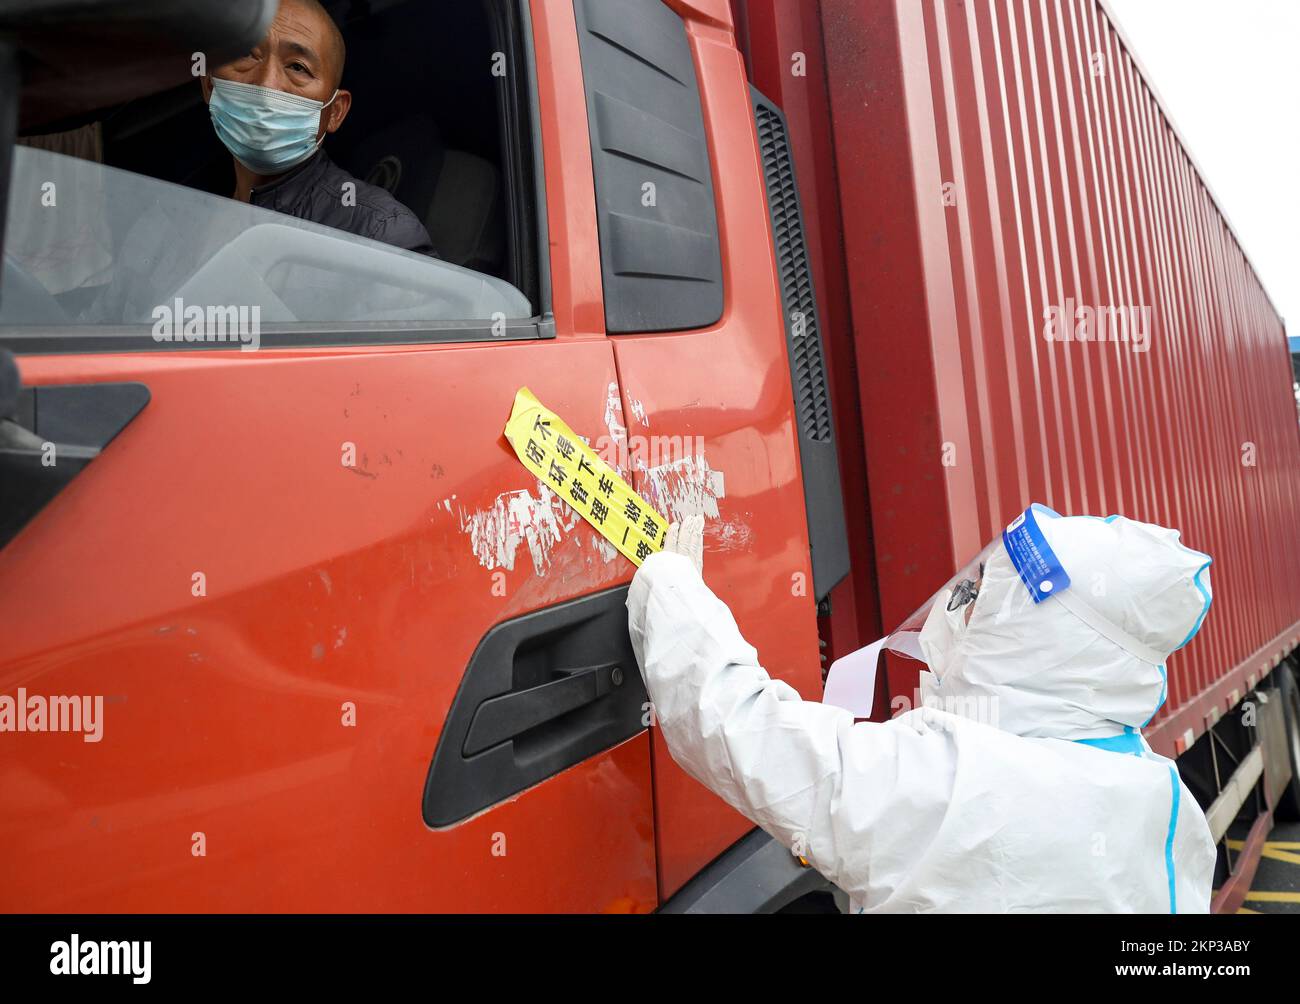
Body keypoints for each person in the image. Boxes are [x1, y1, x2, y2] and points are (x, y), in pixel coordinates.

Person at [628, 507, 1218, 913]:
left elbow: (747, 732)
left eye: (986, 596)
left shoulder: (962, 783)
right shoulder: (1154, 790)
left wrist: (675, 590)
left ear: (1047, 637)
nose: (961, 605)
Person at [200, 0, 435, 255]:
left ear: (335, 112)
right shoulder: (183, 210)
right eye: (248, 54)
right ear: (209, 85)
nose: (267, 85)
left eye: (297, 67)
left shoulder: (380, 234)